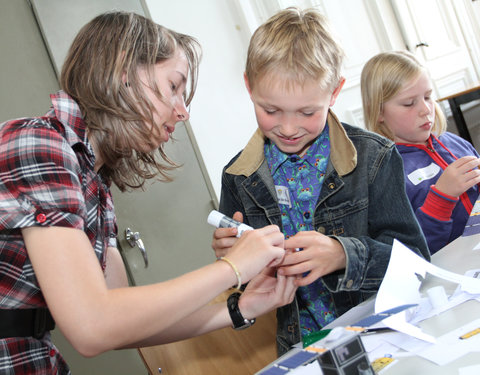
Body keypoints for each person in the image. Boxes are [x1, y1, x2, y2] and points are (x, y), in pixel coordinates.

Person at [0, 11, 298, 374]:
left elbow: (120, 317)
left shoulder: (94, 183)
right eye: (174, 87)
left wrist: (240, 308)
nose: (183, 111)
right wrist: (233, 267)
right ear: (123, 72)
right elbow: (92, 325)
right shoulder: (38, 143)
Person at [211, 7, 430, 357]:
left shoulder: (374, 158)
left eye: (307, 112)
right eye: (271, 110)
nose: (287, 127)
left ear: (335, 92)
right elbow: (250, 291)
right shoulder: (238, 177)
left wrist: (344, 254)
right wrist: (234, 264)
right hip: (303, 350)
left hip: (382, 336)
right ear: (249, 87)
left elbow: (417, 263)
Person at [361, 50, 480, 254]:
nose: (426, 109)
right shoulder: (384, 174)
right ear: (379, 111)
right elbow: (411, 252)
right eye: (409, 103)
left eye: (428, 96)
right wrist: (442, 198)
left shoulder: (453, 143)